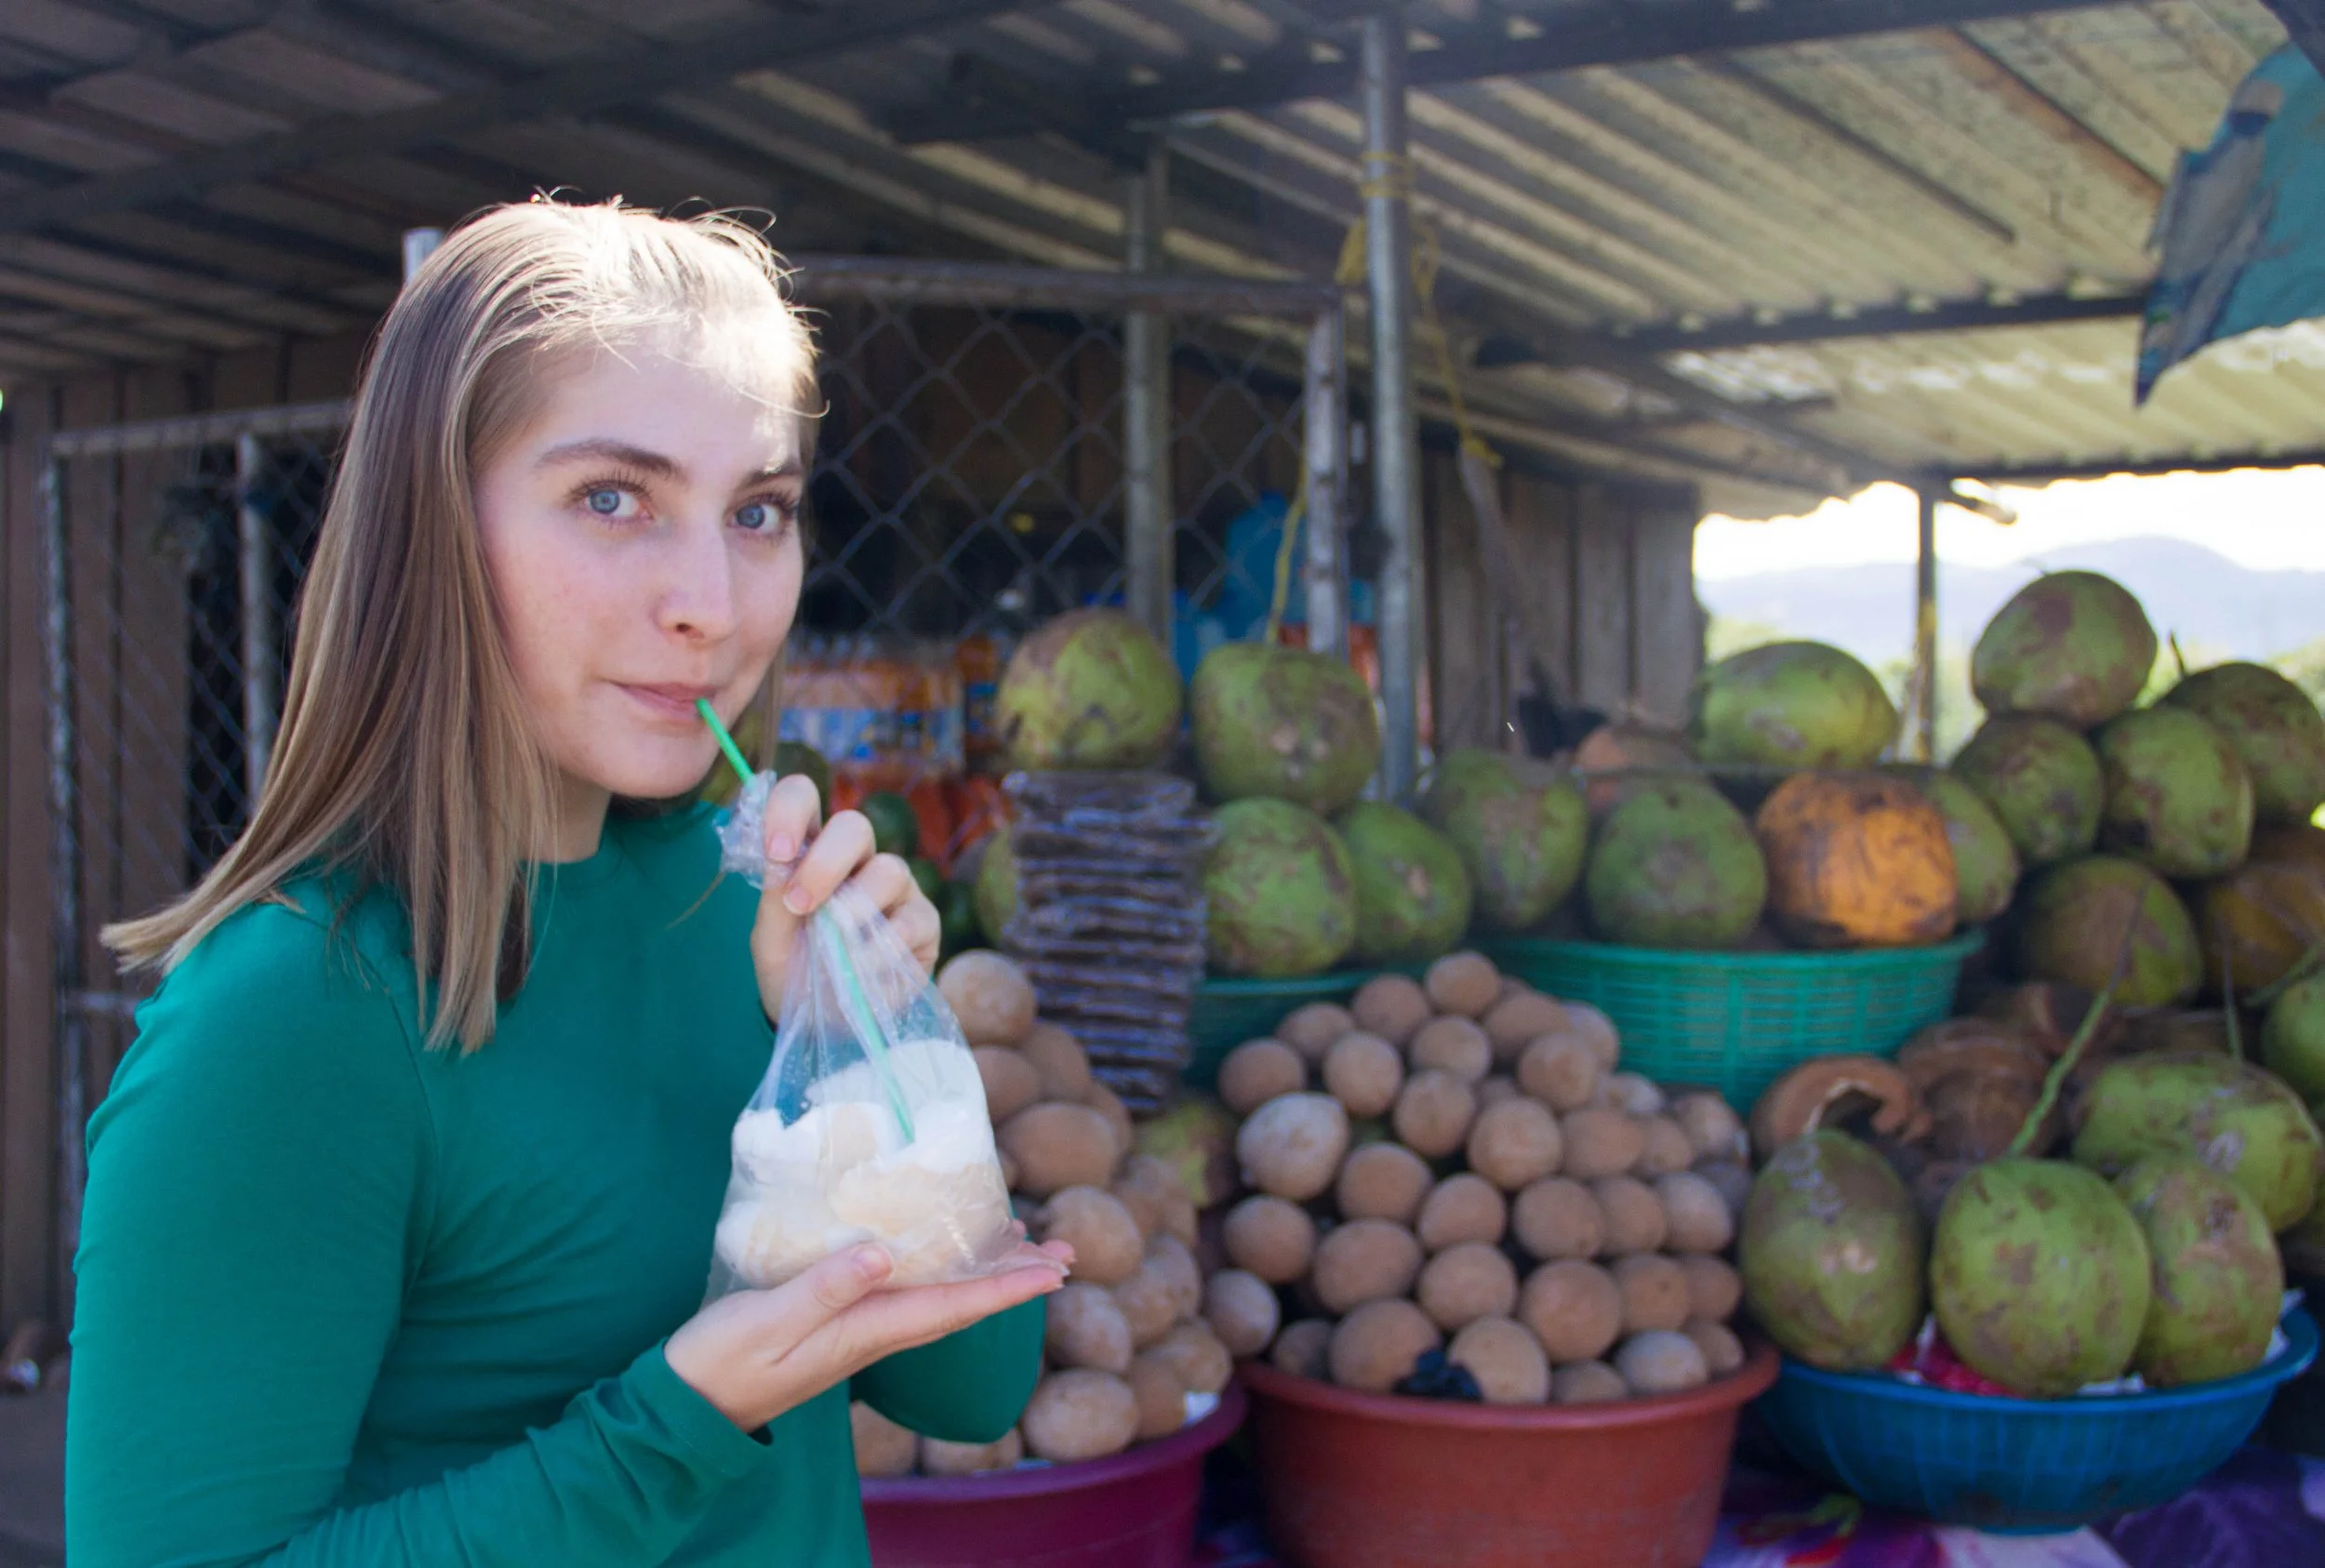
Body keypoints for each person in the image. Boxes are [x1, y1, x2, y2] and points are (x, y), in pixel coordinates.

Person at [65, 199, 1071, 1566]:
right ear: (433, 527)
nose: (713, 602)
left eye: (758, 511)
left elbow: (973, 1384)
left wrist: (870, 1030)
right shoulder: (293, 1014)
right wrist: (680, 1419)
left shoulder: (748, 918)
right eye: (614, 498)